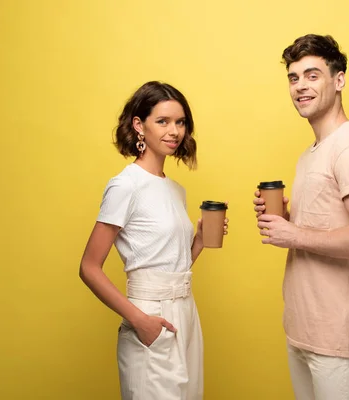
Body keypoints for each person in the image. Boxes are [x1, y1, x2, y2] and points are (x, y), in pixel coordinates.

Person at [253, 34, 349, 399]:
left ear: (339, 80)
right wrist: (286, 219)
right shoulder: (312, 152)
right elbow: (328, 220)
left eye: (312, 75)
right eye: (294, 77)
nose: (300, 86)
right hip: (304, 327)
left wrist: (293, 235)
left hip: (336, 334)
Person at [79, 81, 227, 400]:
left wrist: (199, 240)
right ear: (139, 125)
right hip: (150, 314)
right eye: (163, 121)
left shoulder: (175, 189)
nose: (174, 131)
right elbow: (89, 267)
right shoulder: (125, 185)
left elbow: (171, 262)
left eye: (180, 122)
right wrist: (140, 321)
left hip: (186, 313)